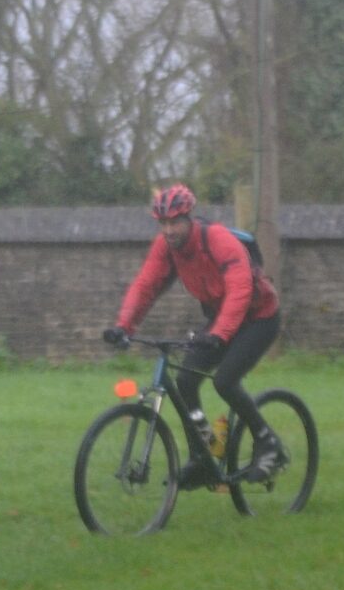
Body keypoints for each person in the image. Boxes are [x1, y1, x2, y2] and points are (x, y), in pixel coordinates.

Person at [101, 184, 285, 487]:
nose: (169, 230)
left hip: (259, 317)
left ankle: (268, 443)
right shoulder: (166, 248)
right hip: (219, 320)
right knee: (185, 380)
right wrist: (124, 326)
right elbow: (146, 285)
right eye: (163, 224)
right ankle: (202, 458)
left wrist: (220, 334)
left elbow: (241, 290)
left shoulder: (218, 240)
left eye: (175, 222)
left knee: (225, 380)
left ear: (189, 218)